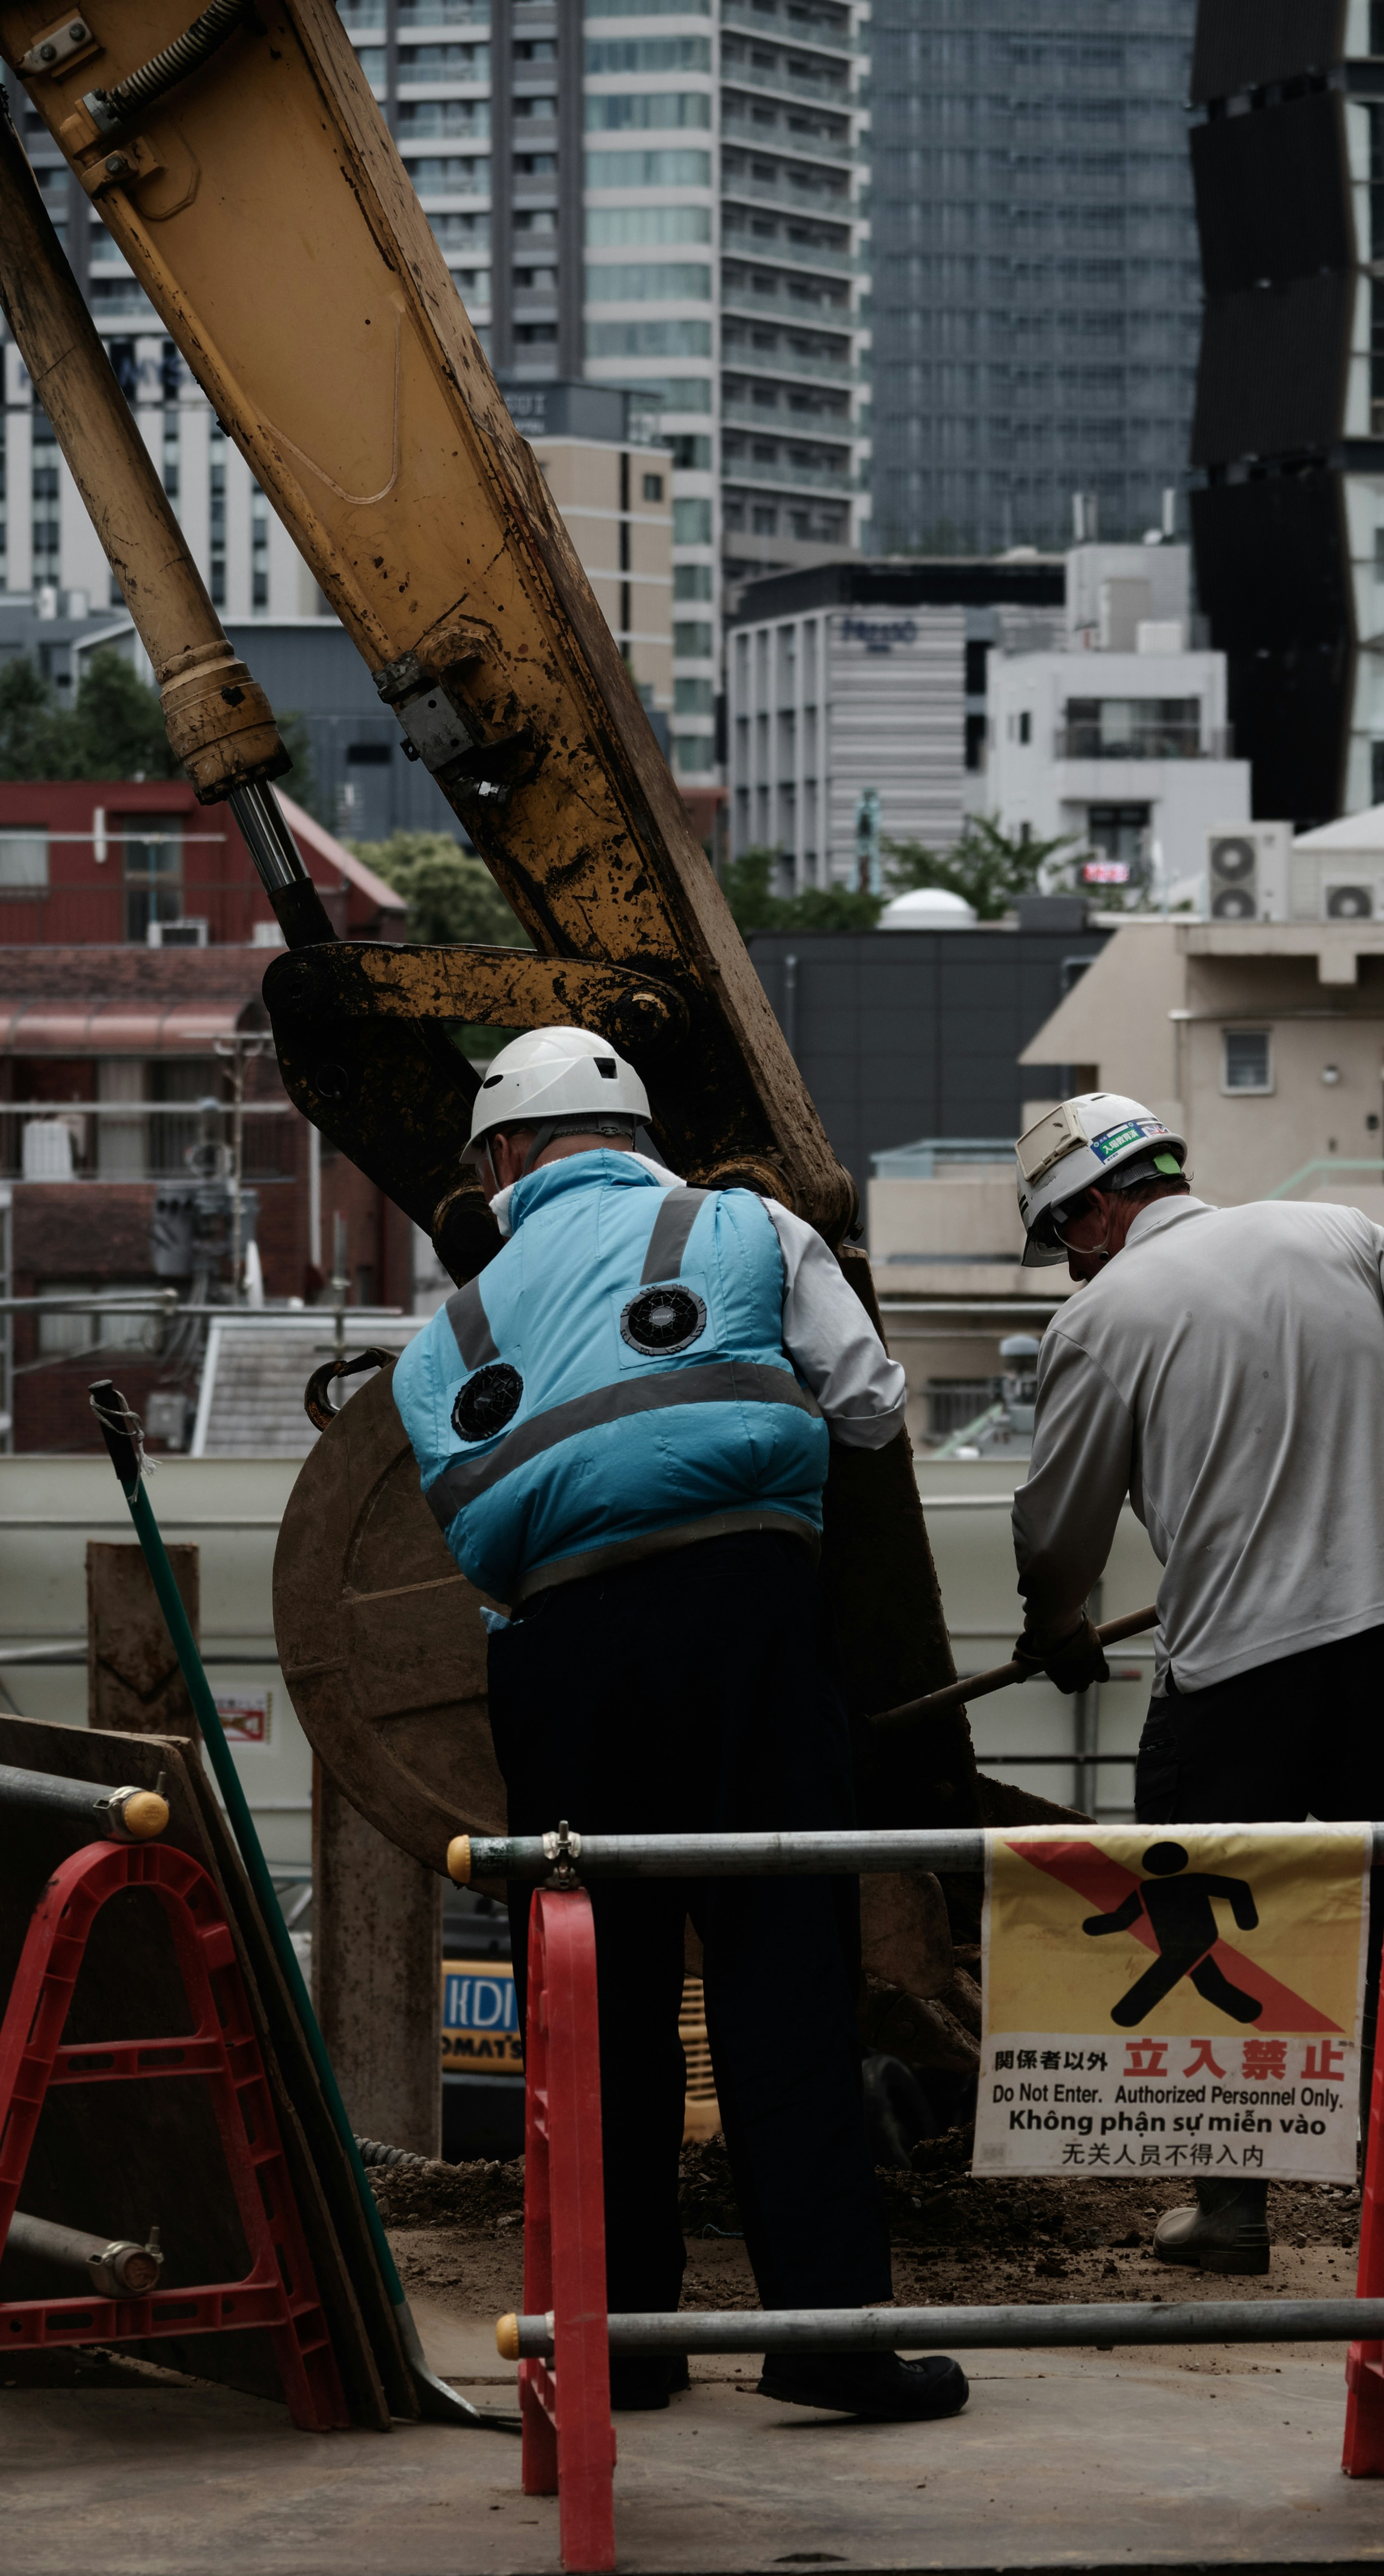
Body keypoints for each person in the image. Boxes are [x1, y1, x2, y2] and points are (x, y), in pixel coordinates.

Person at [393, 1025, 966, 2420]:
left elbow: (472, 1530)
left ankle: (625, 2344)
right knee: (784, 1987)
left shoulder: (442, 1340)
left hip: (562, 1661)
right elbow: (876, 1410)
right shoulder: (747, 1225)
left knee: (595, 2009)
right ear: (635, 1138)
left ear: (504, 1158)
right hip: (749, 1626)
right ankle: (828, 2343)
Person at [1005, 1091, 1384, 2276]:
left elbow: (1056, 1529)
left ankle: (1234, 2211)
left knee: (1206, 1930)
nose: (1070, 1267)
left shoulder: (1107, 1318)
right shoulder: (1332, 1235)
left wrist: (1060, 1626)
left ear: (1093, 1207)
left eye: (1063, 1238)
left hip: (1238, 1675)